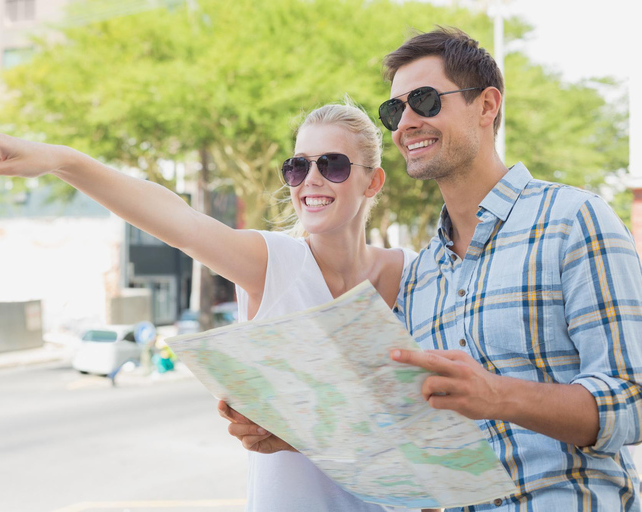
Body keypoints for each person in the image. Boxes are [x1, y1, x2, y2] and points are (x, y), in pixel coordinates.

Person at [224, 27, 642, 511]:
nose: (405, 123)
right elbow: (413, 442)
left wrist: (497, 396)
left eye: (424, 100)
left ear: (487, 106)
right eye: (394, 110)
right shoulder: (420, 277)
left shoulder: (574, 221)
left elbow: (631, 402)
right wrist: (299, 435)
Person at [0, 100, 421, 511]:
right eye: (297, 166)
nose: (310, 181)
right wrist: (60, 161)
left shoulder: (417, 273)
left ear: (373, 182)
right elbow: (177, 219)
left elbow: (434, 431)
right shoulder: (274, 264)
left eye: (332, 165)